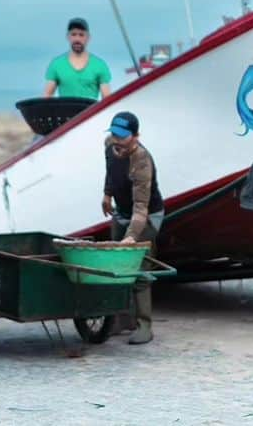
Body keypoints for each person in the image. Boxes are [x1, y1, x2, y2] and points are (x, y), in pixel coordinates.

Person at [101, 111, 163, 345]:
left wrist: (131, 238)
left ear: (136, 136)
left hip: (146, 215)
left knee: (140, 269)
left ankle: (144, 325)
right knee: (117, 266)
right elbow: (110, 171)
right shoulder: (109, 145)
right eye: (114, 134)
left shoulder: (142, 161)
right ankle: (122, 319)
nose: (117, 140)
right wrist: (107, 195)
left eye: (123, 137)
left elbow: (141, 208)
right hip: (122, 211)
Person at [43, 17, 112, 100]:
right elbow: (47, 97)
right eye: (73, 34)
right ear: (68, 37)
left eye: (81, 35)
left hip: (92, 112)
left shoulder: (100, 65)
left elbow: (107, 99)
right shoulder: (56, 64)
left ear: (88, 37)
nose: (77, 39)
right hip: (65, 111)